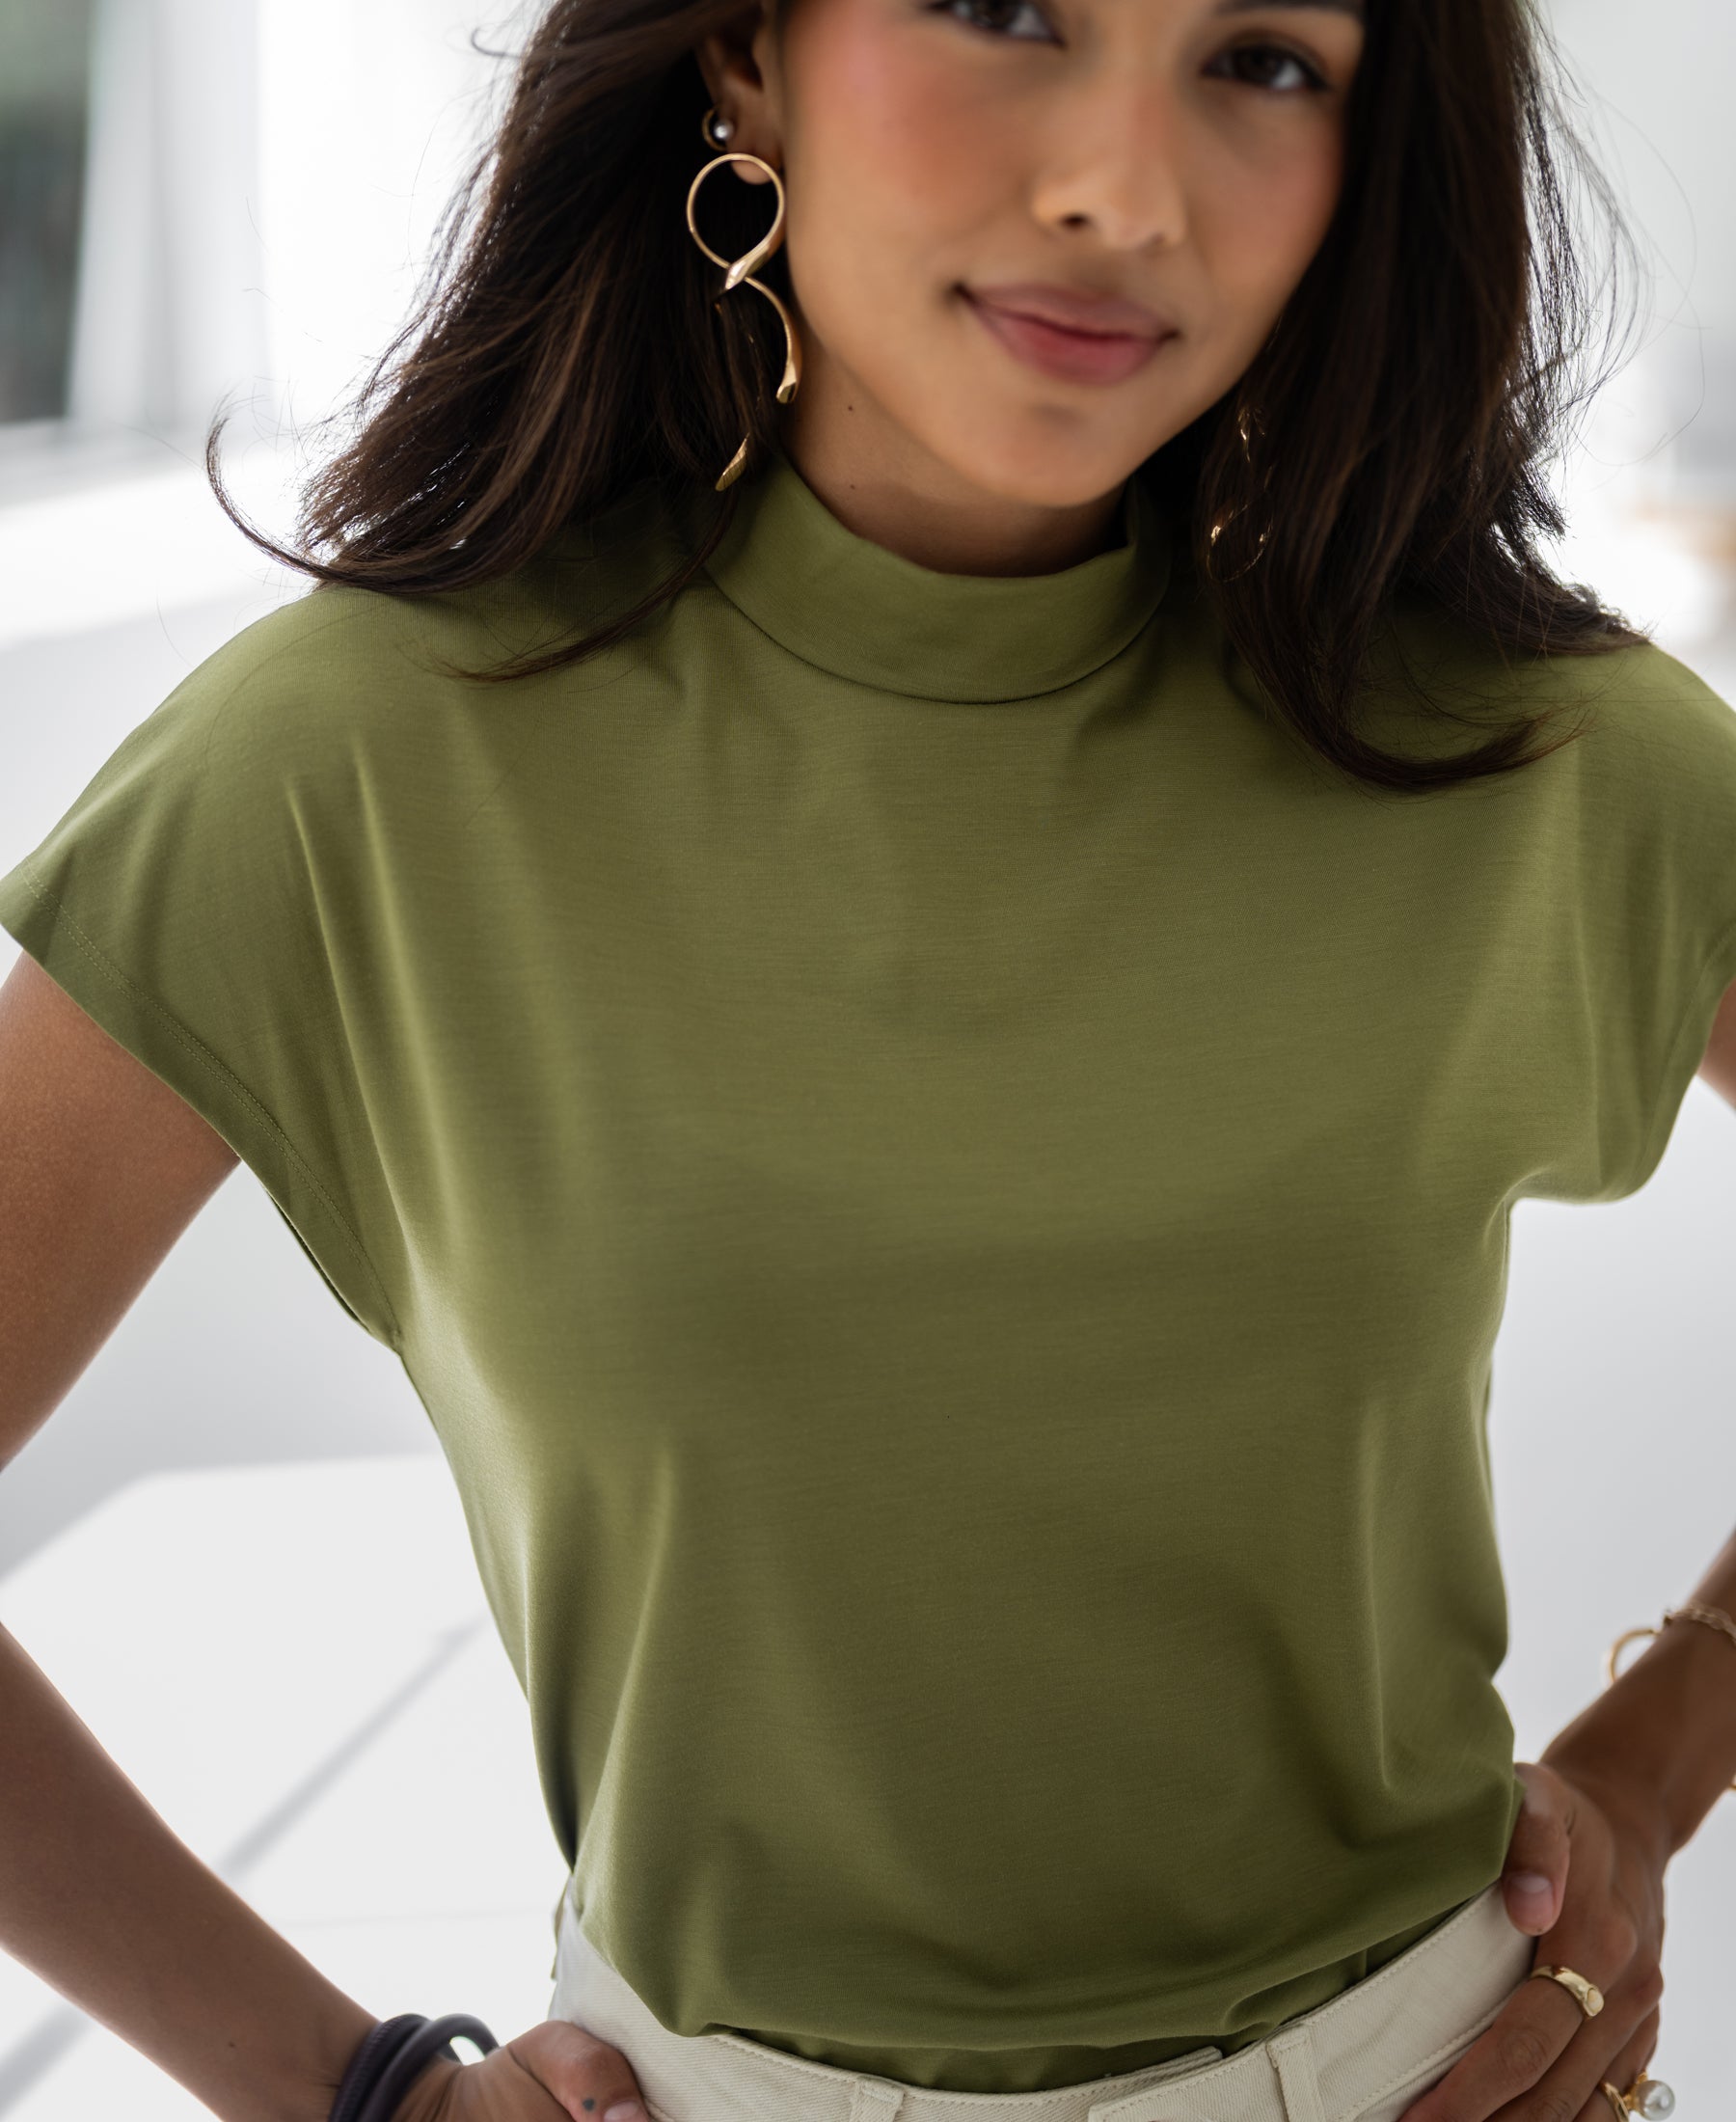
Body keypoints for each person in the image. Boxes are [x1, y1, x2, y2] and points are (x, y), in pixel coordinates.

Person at [1, 0, 1734, 2117]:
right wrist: (344, 2086)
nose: (1124, 185)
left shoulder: (1544, 757)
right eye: (1007, 8)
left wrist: (1668, 1742)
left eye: (1266, 57)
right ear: (743, 58)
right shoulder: (346, 765)